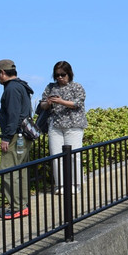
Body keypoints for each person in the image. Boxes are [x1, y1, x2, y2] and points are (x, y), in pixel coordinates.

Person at [0, 59, 34, 220]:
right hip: (24, 134)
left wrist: (6, 137)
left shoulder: (11, 88)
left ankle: (17, 207)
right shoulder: (21, 86)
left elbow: (13, 115)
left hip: (15, 135)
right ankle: (22, 205)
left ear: (2, 72)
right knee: (21, 171)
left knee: (7, 171)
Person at [38, 61, 87, 194]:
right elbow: (42, 105)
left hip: (74, 125)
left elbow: (78, 103)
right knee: (56, 155)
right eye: (57, 75)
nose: (59, 77)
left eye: (62, 74)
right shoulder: (50, 87)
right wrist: (48, 103)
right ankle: (60, 184)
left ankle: (75, 183)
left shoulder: (76, 86)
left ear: (69, 74)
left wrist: (61, 101)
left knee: (74, 156)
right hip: (55, 125)